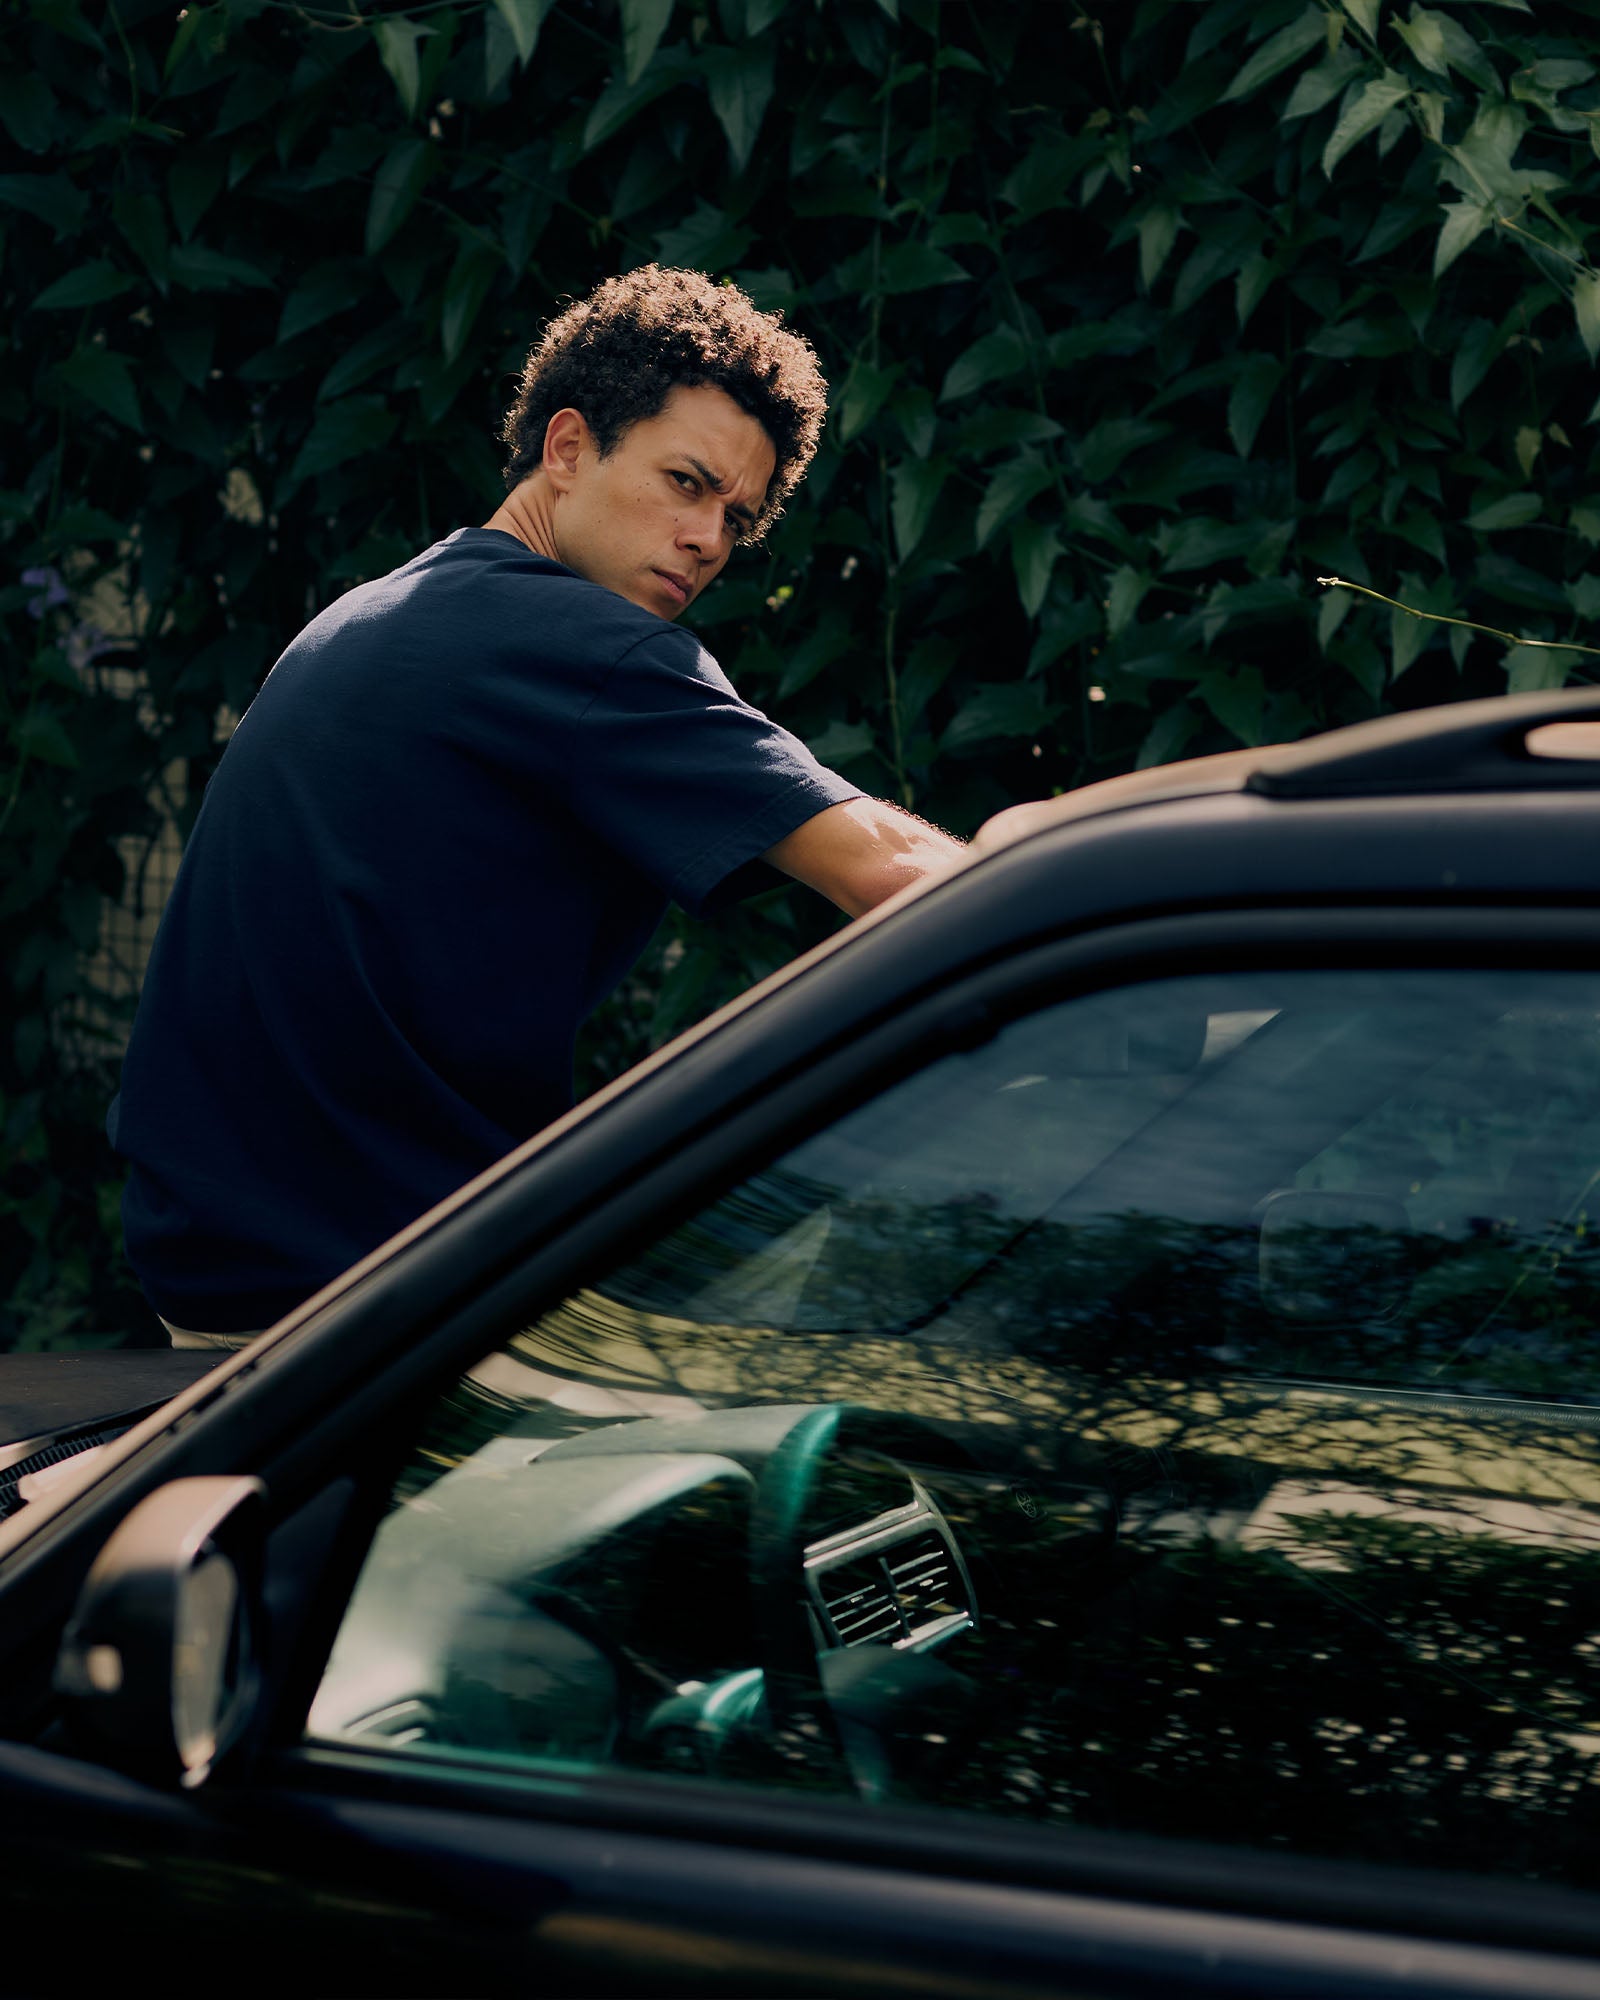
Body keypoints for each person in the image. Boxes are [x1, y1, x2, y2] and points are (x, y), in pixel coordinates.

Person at [108, 265, 964, 1348]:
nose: (708, 538)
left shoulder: (393, 607)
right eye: (685, 482)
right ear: (566, 448)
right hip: (374, 1308)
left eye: (736, 517)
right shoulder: (580, 643)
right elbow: (890, 871)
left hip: (231, 1277)